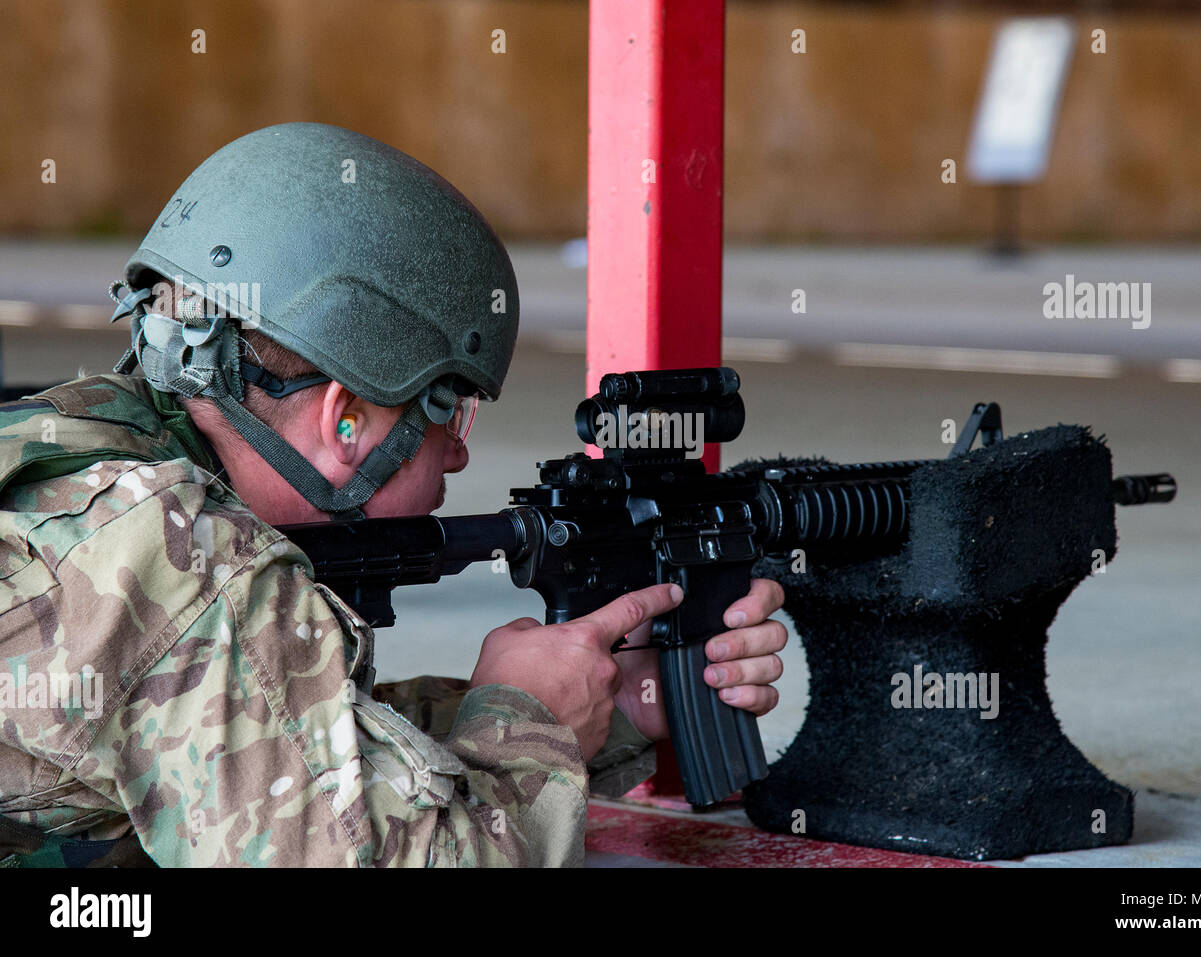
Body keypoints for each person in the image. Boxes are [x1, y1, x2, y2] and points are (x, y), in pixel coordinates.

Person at [0, 122, 787, 867]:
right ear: (345, 420)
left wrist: (614, 705)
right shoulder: (186, 568)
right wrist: (527, 725)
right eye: (449, 406)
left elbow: (285, 755)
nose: (459, 448)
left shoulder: (89, 461)